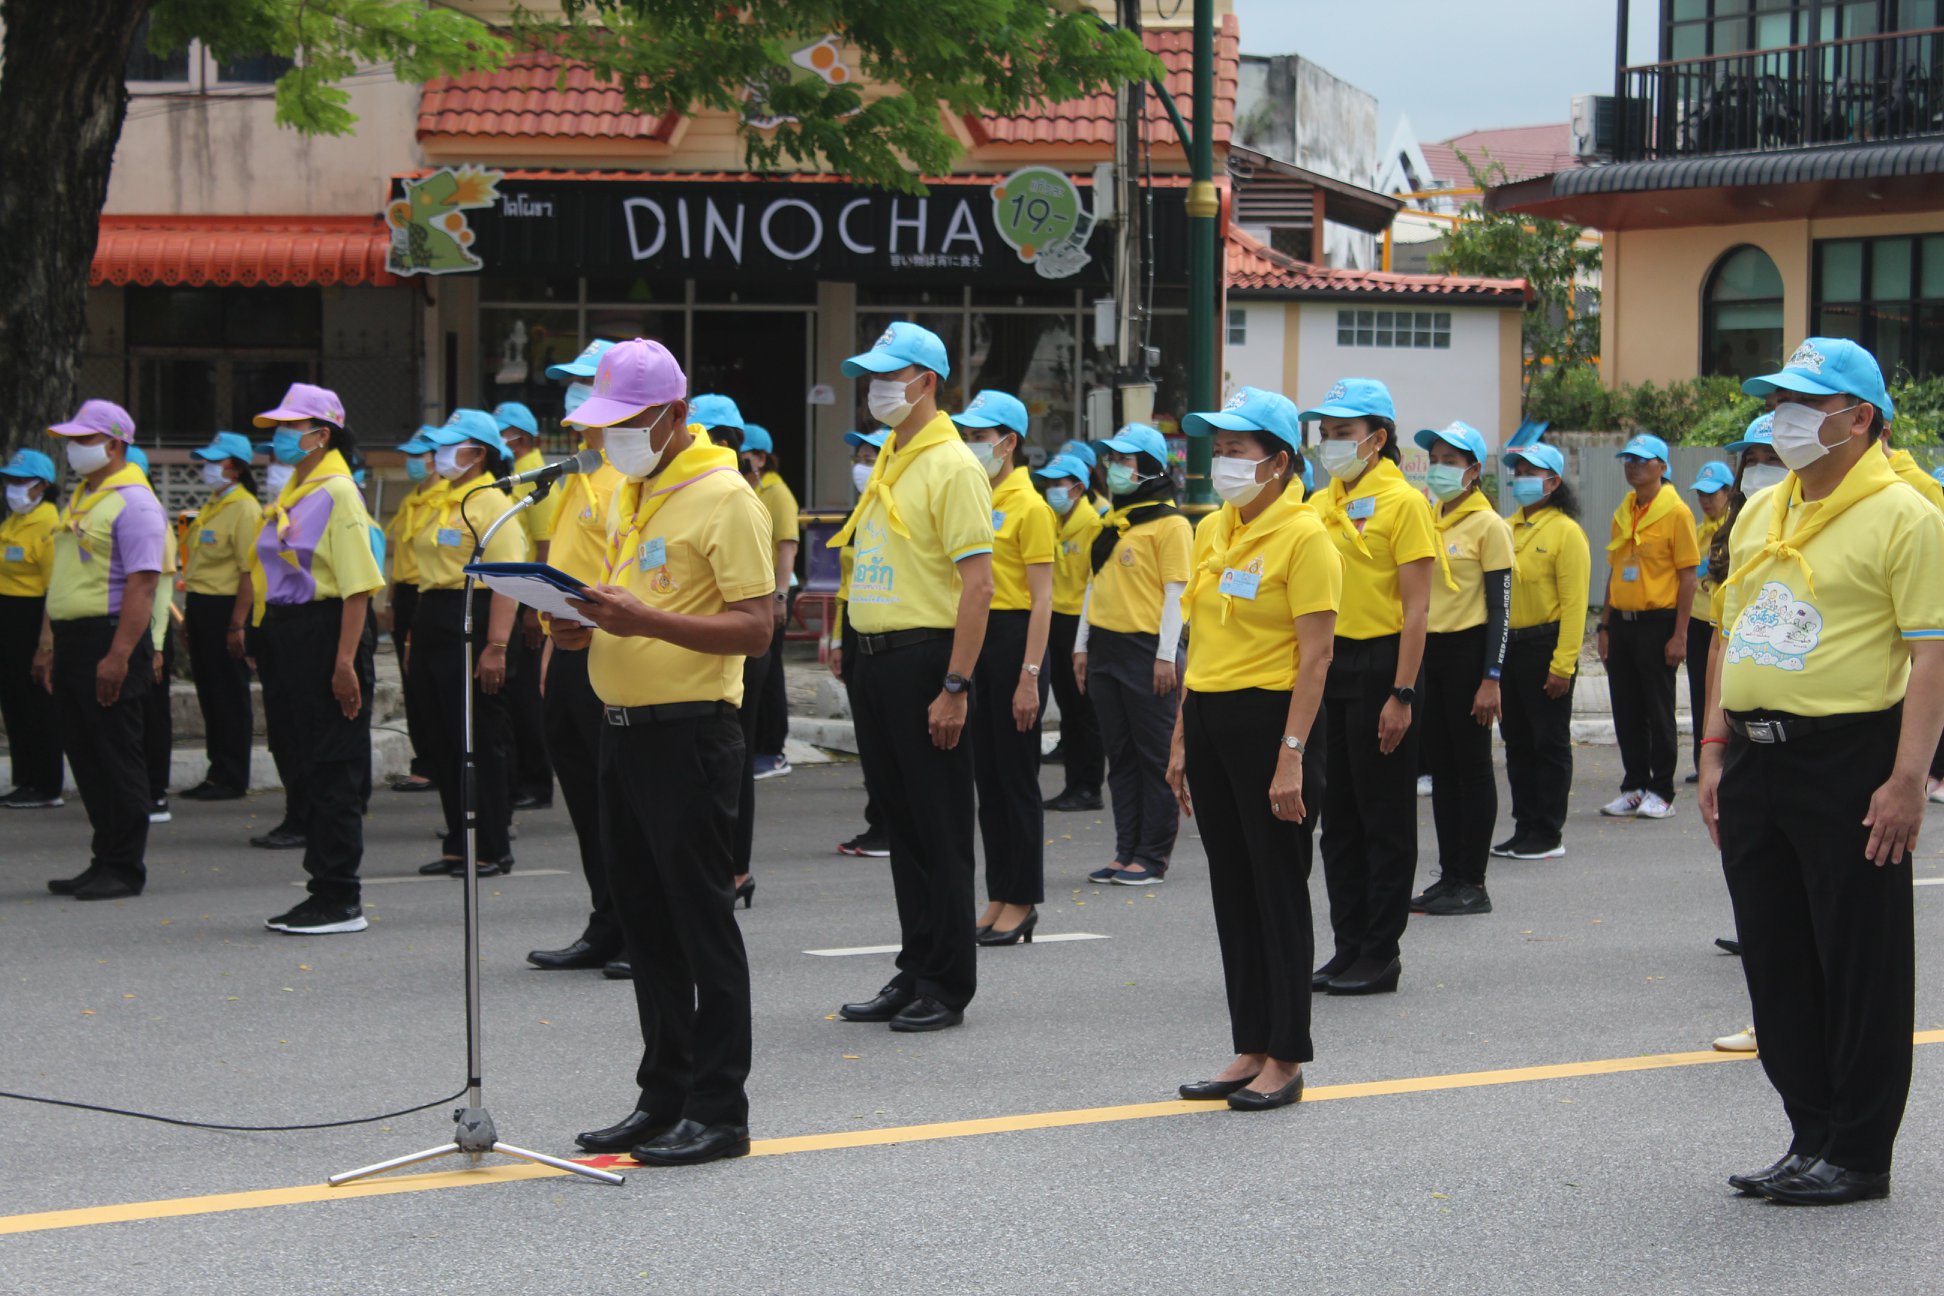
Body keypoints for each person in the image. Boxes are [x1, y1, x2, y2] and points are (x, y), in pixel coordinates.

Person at [1699, 337, 1944, 1206]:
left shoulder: (1907, 515)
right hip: (1756, 757)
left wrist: (1907, 779)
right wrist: (1713, 748)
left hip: (1849, 758)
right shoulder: (1763, 509)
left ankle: (1859, 1152)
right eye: (1778, 402)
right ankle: (1810, 1133)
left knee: (1858, 959)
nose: (1783, 418)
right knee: (1776, 954)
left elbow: (1932, 655)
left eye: (1804, 403)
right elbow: (1731, 631)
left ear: (1860, 418)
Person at [564, 337, 774, 1167]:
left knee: (700, 925)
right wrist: (579, 623)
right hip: (622, 730)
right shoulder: (634, 490)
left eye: (628, 422)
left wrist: (641, 622)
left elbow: (756, 629)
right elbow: (634, 599)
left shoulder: (727, 498)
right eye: (605, 423)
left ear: (675, 415)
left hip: (689, 734)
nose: (610, 438)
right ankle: (664, 1096)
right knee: (645, 925)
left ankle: (720, 1111)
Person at [1168, 388, 1339, 1112]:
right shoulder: (1213, 529)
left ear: (1279, 461)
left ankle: (1287, 1055)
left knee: (1277, 889)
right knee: (1233, 889)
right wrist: (1182, 734)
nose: (1224, 462)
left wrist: (1291, 752)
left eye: (1237, 449)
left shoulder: (1307, 537)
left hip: (1273, 722)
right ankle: (1249, 1044)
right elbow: (1200, 639)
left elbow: (1317, 655)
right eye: (1219, 449)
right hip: (1210, 715)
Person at [828, 322, 993, 1033]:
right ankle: (916, 964)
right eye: (871, 377)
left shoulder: (951, 465)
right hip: (877, 659)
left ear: (926, 382)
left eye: (889, 376)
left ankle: (947, 982)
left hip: (927, 658)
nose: (875, 389)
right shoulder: (893, 457)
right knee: (902, 824)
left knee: (939, 828)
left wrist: (955, 685)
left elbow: (978, 585)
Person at [1301, 378, 1435, 996]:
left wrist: (1402, 694)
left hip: (1383, 665)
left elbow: (1417, 611)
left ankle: (1380, 953)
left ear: (1377, 439)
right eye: (1325, 432)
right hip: (1329, 665)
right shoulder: (1318, 501)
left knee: (1383, 817)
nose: (1330, 442)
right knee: (1339, 820)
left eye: (1344, 432)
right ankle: (1348, 945)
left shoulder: (1404, 503)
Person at [240, 385, 385, 932]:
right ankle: (321, 887)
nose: (279, 436)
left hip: (327, 633)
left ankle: (340, 896)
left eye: (290, 427)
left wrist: (344, 663)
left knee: (332, 767)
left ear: (321, 435)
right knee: (302, 761)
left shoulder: (338, 493)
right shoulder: (297, 491)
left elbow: (358, 587)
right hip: (288, 634)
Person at [35, 400, 165, 900]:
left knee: (115, 754)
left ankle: (125, 866)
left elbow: (143, 584)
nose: (73, 449)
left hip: (109, 637)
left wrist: (119, 655)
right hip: (74, 639)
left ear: (114, 445)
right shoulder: (85, 500)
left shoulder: (135, 503)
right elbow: (66, 578)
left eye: (84, 440)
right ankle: (104, 857)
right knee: (87, 756)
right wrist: (48, 642)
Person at [527, 381, 634, 973]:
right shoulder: (578, 474)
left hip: (611, 646)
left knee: (621, 802)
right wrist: (551, 651)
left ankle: (639, 929)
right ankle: (606, 921)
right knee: (587, 800)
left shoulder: (626, 480)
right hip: (568, 645)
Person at [954, 389, 1055, 945]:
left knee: (1016, 780)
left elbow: (1042, 600)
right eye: (966, 436)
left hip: (1017, 643)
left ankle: (1022, 899)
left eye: (980, 437)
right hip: (980, 640)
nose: (971, 445)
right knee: (987, 780)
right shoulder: (973, 496)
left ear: (1008, 442)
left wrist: (1029, 675)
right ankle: (998, 893)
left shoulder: (1031, 507)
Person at [1074, 422, 1191, 886]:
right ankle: (1126, 851)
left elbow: (1176, 593)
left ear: (1149, 467)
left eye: (1125, 460)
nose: (1115, 468)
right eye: (1113, 460)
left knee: (1154, 757)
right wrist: (1082, 645)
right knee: (1120, 757)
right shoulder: (1112, 521)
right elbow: (1093, 586)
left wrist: (1166, 655)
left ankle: (1152, 856)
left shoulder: (1171, 524)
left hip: (1146, 650)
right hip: (1105, 648)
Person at [410, 409, 523, 878]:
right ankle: (458, 842)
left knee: (477, 737)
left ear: (477, 453)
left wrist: (496, 646)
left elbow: (507, 580)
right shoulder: (443, 498)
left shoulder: (493, 504)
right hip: (433, 615)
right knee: (440, 737)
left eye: (449, 445)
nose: (439, 454)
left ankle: (492, 846)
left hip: (472, 616)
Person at [1409, 421, 1513, 918]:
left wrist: (1492, 677)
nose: (1439, 470)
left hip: (1470, 654)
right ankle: (1449, 876)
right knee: (1442, 770)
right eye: (1435, 461)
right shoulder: (1427, 518)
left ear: (1473, 471)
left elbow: (1500, 608)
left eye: (1451, 462)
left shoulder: (1490, 526)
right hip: (1430, 653)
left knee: (1472, 768)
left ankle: (1473, 881)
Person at [1493, 442, 1589, 862]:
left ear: (1552, 482)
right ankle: (1524, 826)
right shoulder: (1506, 527)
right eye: (1517, 472)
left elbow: (1575, 605)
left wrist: (1563, 665)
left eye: (1531, 472)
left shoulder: (1566, 532)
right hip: (1510, 647)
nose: (1521, 479)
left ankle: (1548, 831)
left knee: (1548, 742)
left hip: (1544, 646)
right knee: (1517, 742)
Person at [1598, 433, 1699, 821]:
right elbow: (1614, 571)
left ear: (1661, 466)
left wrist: (1680, 635)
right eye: (1628, 460)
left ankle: (1661, 790)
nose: (1633, 466)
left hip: (1658, 623)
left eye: (1641, 460)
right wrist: (1604, 626)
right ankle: (1634, 786)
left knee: (1658, 709)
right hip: (1623, 623)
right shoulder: (1623, 512)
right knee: (1626, 708)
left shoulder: (1677, 513)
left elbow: (1688, 577)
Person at [177, 432, 263, 801]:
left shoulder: (245, 509)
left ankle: (232, 775)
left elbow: (249, 572)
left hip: (227, 609)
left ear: (236, 467)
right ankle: (217, 771)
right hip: (202, 606)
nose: (207, 467)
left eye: (216, 461)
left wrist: (237, 624)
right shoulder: (215, 505)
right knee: (210, 693)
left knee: (229, 694)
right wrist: (189, 618)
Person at [492, 400, 558, 811]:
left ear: (522, 438)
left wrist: (534, 607)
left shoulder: (539, 475)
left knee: (526, 698)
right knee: (514, 696)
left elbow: (545, 545)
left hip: (525, 599)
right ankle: (518, 778)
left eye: (504, 433)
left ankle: (536, 781)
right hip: (511, 595)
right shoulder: (512, 475)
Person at [829, 430, 890, 859]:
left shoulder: (896, 510)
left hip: (887, 626)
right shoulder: (860, 511)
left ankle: (891, 826)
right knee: (869, 736)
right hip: (854, 624)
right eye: (860, 457)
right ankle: (877, 821)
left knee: (888, 739)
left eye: (871, 458)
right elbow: (846, 582)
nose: (861, 466)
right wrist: (836, 639)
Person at [1035, 452, 1105, 813]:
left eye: (1058, 484)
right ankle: (1073, 786)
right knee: (1068, 708)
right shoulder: (1052, 521)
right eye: (1048, 483)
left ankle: (1088, 788)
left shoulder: (1094, 525)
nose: (1052, 490)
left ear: (1078, 489)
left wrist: (1086, 638)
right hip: (1056, 621)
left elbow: (1096, 583)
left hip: (1081, 624)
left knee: (1084, 711)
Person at [0, 449, 64, 809]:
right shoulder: (13, 522)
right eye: (10, 480)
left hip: (34, 618)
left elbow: (54, 589)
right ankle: (25, 779)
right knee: (14, 700)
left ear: (42, 486)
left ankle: (46, 784)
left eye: (21, 481)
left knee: (37, 702)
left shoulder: (49, 525)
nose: (13, 487)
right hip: (9, 617)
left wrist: (46, 643)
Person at [383, 427, 445, 795]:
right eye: (410, 455)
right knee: (413, 685)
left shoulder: (443, 500)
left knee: (428, 684)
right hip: (405, 595)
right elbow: (401, 558)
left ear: (436, 458)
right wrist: (390, 603)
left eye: (418, 455)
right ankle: (424, 760)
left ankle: (434, 763)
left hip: (429, 594)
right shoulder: (412, 499)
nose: (412, 462)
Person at [121, 444, 178, 824]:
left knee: (152, 717)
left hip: (150, 631)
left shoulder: (149, 514)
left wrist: (156, 646)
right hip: (128, 628)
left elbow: (161, 588)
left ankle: (156, 793)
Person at [740, 423, 799, 781]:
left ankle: (773, 750)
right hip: (756, 590)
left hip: (775, 592)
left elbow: (787, 546)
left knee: (770, 672)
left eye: (745, 455)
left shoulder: (777, 492)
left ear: (761, 458)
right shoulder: (745, 487)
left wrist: (780, 597)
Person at [1683, 460, 1734, 783]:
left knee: (1722, 694)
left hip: (1721, 624)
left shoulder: (1734, 529)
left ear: (1728, 493)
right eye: (1701, 494)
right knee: (1698, 693)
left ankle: (1724, 758)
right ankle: (1701, 759)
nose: (1705, 500)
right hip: (1697, 621)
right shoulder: (1698, 531)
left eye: (1712, 494)